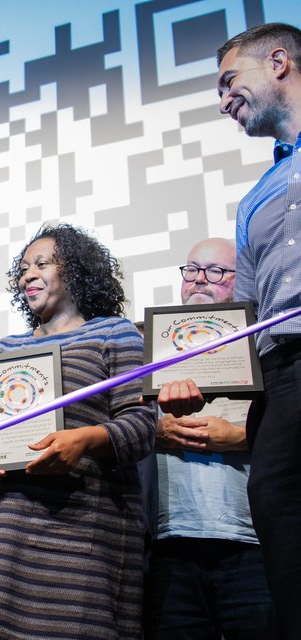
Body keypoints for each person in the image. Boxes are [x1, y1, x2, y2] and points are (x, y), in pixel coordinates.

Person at [159, 23, 301, 634]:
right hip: (284, 370)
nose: (223, 102)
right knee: (284, 514)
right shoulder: (255, 200)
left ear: (278, 63)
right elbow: (245, 321)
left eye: (228, 82)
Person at [0, 224, 155, 639]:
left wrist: (83, 441)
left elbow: (141, 425)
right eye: (24, 267)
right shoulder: (5, 349)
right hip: (12, 532)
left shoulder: (113, 333)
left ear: (76, 272)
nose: (28, 274)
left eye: (42, 263)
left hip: (87, 532)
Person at [147, 237, 274, 638]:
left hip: (251, 542)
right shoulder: (149, 348)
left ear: (243, 279)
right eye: (192, 269)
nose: (200, 280)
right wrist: (156, 429)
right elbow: (121, 424)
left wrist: (241, 436)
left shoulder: (266, 346)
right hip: (170, 545)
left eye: (216, 271)